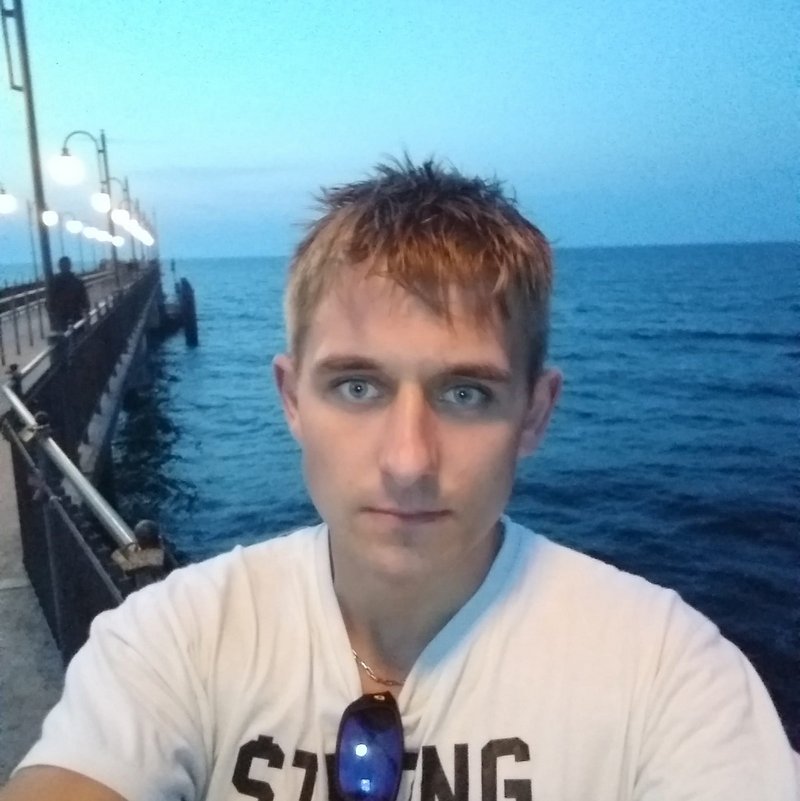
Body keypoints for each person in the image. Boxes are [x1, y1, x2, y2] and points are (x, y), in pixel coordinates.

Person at [2, 159, 797, 801]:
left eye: (466, 393)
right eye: (358, 386)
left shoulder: (664, 669)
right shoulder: (174, 639)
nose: (409, 459)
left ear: (534, 413)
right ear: (292, 400)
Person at [48, 256, 89, 331]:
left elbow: (51, 301)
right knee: (79, 334)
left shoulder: (55, 282)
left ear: (59, 267)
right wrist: (86, 311)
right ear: (70, 266)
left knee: (65, 334)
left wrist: (53, 315)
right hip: (75, 313)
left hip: (62, 315)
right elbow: (84, 300)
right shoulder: (77, 281)